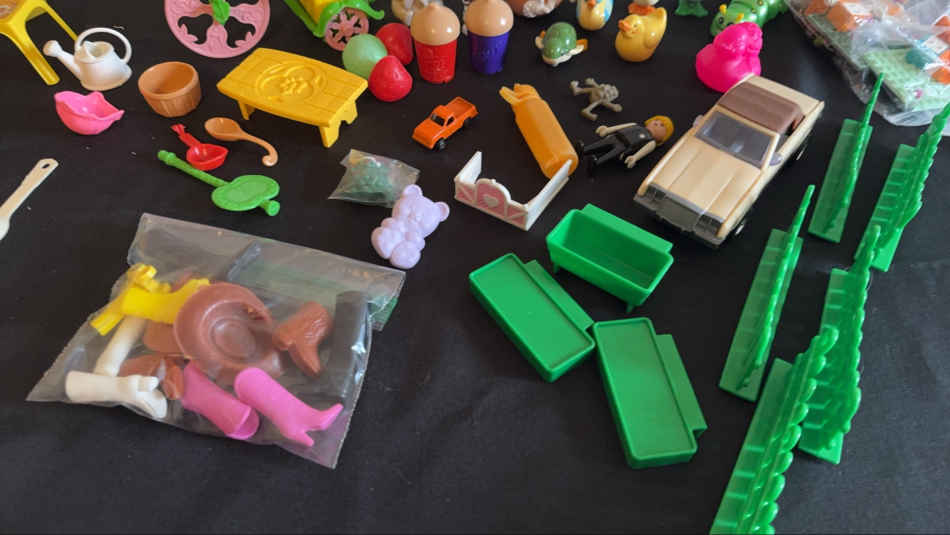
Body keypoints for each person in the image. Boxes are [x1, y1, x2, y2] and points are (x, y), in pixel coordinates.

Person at [578, 115, 674, 173]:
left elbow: (643, 151)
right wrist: (608, 130)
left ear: (664, 136)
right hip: (615, 137)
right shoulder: (635, 125)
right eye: (656, 121)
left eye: (662, 125)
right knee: (600, 144)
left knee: (611, 154)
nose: (657, 124)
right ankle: (584, 150)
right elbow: (620, 127)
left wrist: (635, 157)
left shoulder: (651, 142)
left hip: (624, 147)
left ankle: (596, 163)